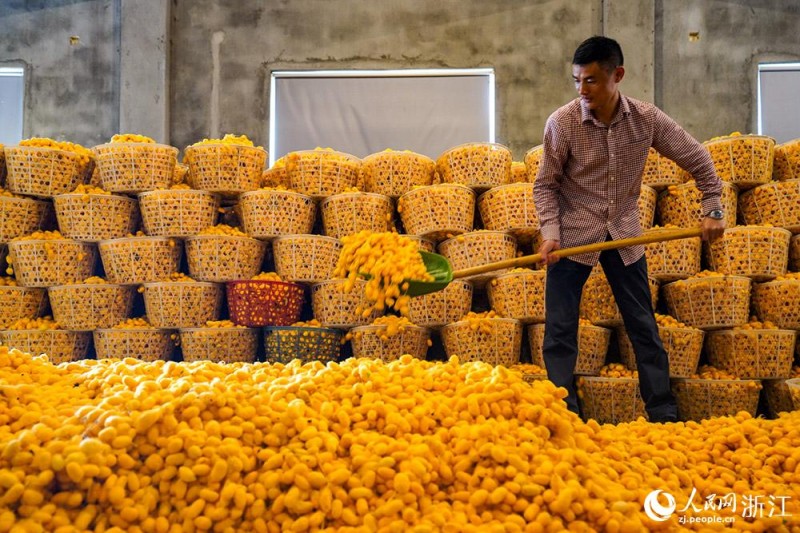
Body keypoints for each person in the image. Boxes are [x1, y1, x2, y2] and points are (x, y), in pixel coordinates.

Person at [533, 36, 726, 423]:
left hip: (624, 234)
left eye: (591, 80)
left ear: (616, 75)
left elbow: (698, 157)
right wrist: (550, 231)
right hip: (571, 237)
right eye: (576, 81)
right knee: (559, 331)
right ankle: (563, 413)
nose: (582, 90)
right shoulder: (563, 122)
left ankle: (662, 409)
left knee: (642, 325)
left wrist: (713, 207)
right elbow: (545, 184)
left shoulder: (646, 119)